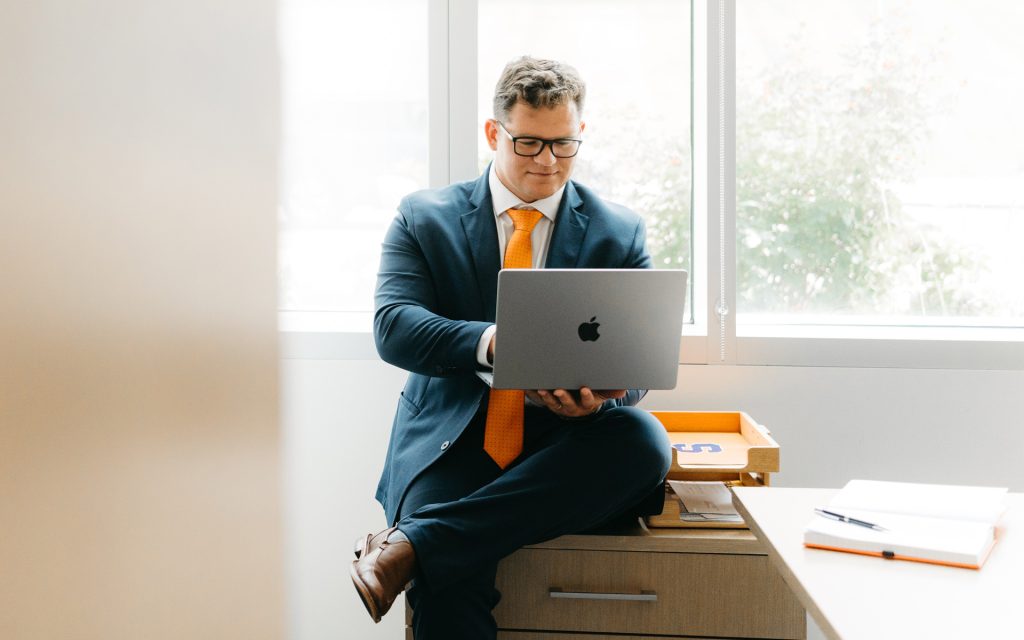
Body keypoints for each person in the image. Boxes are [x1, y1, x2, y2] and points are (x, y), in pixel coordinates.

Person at [350, 56, 672, 639]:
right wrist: (492, 342)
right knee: (452, 587)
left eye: (563, 145)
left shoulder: (618, 231)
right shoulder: (424, 217)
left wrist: (601, 400)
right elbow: (393, 325)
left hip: (562, 445)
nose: (548, 161)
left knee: (645, 441)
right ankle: (431, 543)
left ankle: (413, 543)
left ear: (580, 135)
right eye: (528, 144)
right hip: (454, 441)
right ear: (494, 133)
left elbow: (638, 359)